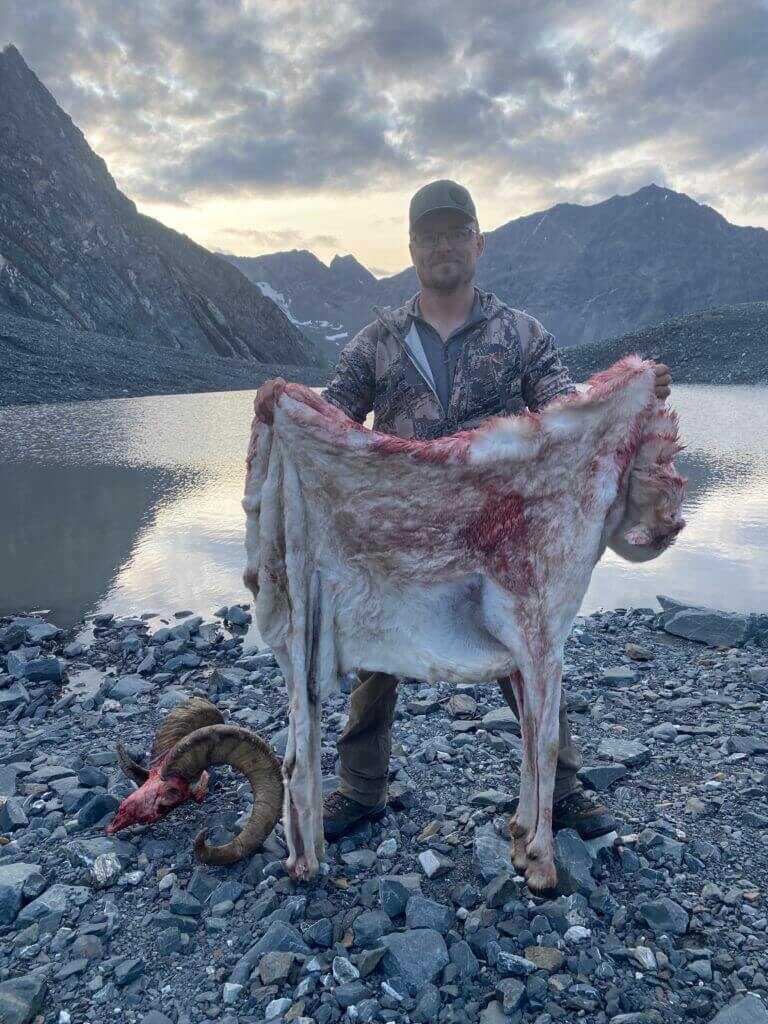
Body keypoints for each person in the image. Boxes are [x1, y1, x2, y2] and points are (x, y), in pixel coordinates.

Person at [253, 179, 672, 842]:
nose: (442, 246)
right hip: (401, 535)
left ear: (478, 243)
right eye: (429, 236)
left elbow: (566, 417)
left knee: (523, 649)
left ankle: (560, 788)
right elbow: (335, 421)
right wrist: (292, 413)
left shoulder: (521, 334)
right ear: (413, 249)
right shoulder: (377, 342)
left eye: (455, 233)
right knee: (373, 655)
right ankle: (361, 789)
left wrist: (625, 399)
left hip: (494, 538)